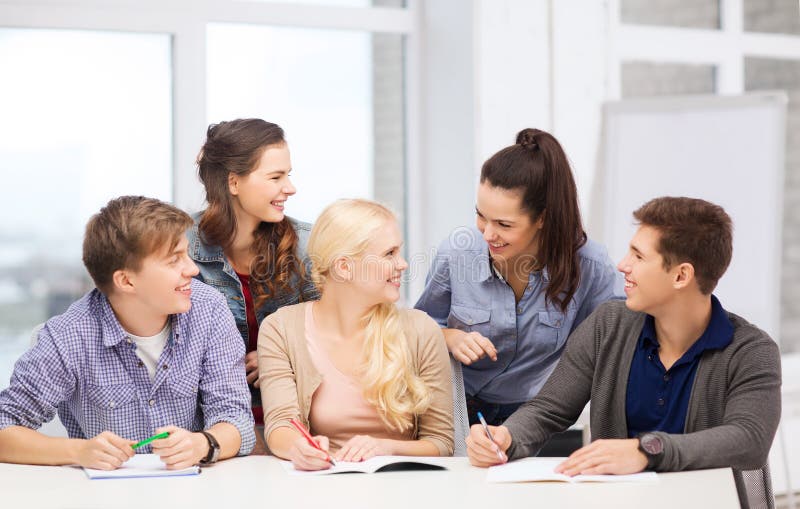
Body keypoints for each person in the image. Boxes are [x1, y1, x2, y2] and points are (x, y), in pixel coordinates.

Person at [466, 197, 781, 503]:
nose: (622, 265)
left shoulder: (751, 351)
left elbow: (749, 438)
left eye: (638, 257)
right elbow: (549, 409)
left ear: (681, 275)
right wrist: (507, 436)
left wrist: (646, 451)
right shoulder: (608, 325)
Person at [0, 196, 255, 470]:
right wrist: (79, 451)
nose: (192, 269)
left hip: (193, 486)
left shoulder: (209, 310)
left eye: (186, 254)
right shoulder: (69, 335)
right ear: (126, 281)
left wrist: (203, 444)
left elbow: (236, 418)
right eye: (174, 260)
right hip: (103, 490)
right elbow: (5, 426)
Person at [415, 127, 622, 427]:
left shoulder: (590, 265)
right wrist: (450, 337)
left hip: (532, 417)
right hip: (455, 405)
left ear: (542, 218)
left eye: (504, 224)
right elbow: (420, 328)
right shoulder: (457, 252)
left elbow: (616, 341)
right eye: (481, 215)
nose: (488, 234)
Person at [259, 199, 454, 470]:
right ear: (344, 267)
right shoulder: (280, 329)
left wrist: (385, 449)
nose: (403, 264)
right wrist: (299, 449)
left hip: (401, 484)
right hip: (322, 480)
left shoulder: (421, 330)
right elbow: (281, 425)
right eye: (389, 254)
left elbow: (441, 442)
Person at [188, 118, 318, 445]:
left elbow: (344, 330)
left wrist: (283, 353)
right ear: (234, 182)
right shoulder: (181, 246)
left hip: (295, 424)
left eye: (288, 175)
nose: (290, 188)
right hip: (208, 429)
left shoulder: (308, 245)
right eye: (276, 177)